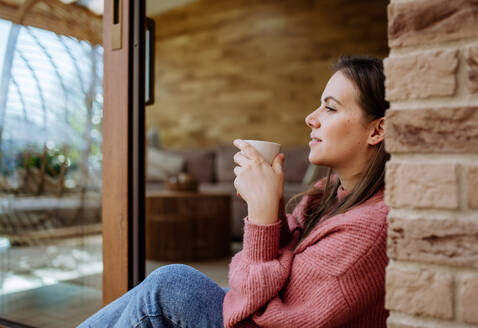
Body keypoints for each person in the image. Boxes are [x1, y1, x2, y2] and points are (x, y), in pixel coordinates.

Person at [78, 55, 389, 328]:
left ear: (377, 130)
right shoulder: (326, 196)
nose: (311, 118)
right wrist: (271, 205)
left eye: (330, 108)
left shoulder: (368, 231)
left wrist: (262, 218)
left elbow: (249, 305)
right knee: (168, 284)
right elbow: (278, 274)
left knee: (171, 284)